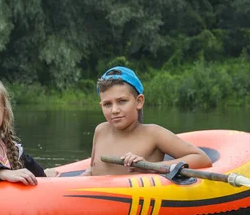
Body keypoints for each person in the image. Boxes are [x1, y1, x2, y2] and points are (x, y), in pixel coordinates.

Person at [82, 66, 212, 176]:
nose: (114, 110)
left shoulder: (153, 134)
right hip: (96, 201)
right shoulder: (101, 131)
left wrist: (151, 167)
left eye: (122, 101)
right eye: (107, 104)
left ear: (139, 101)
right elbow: (92, 170)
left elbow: (202, 159)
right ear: (101, 106)